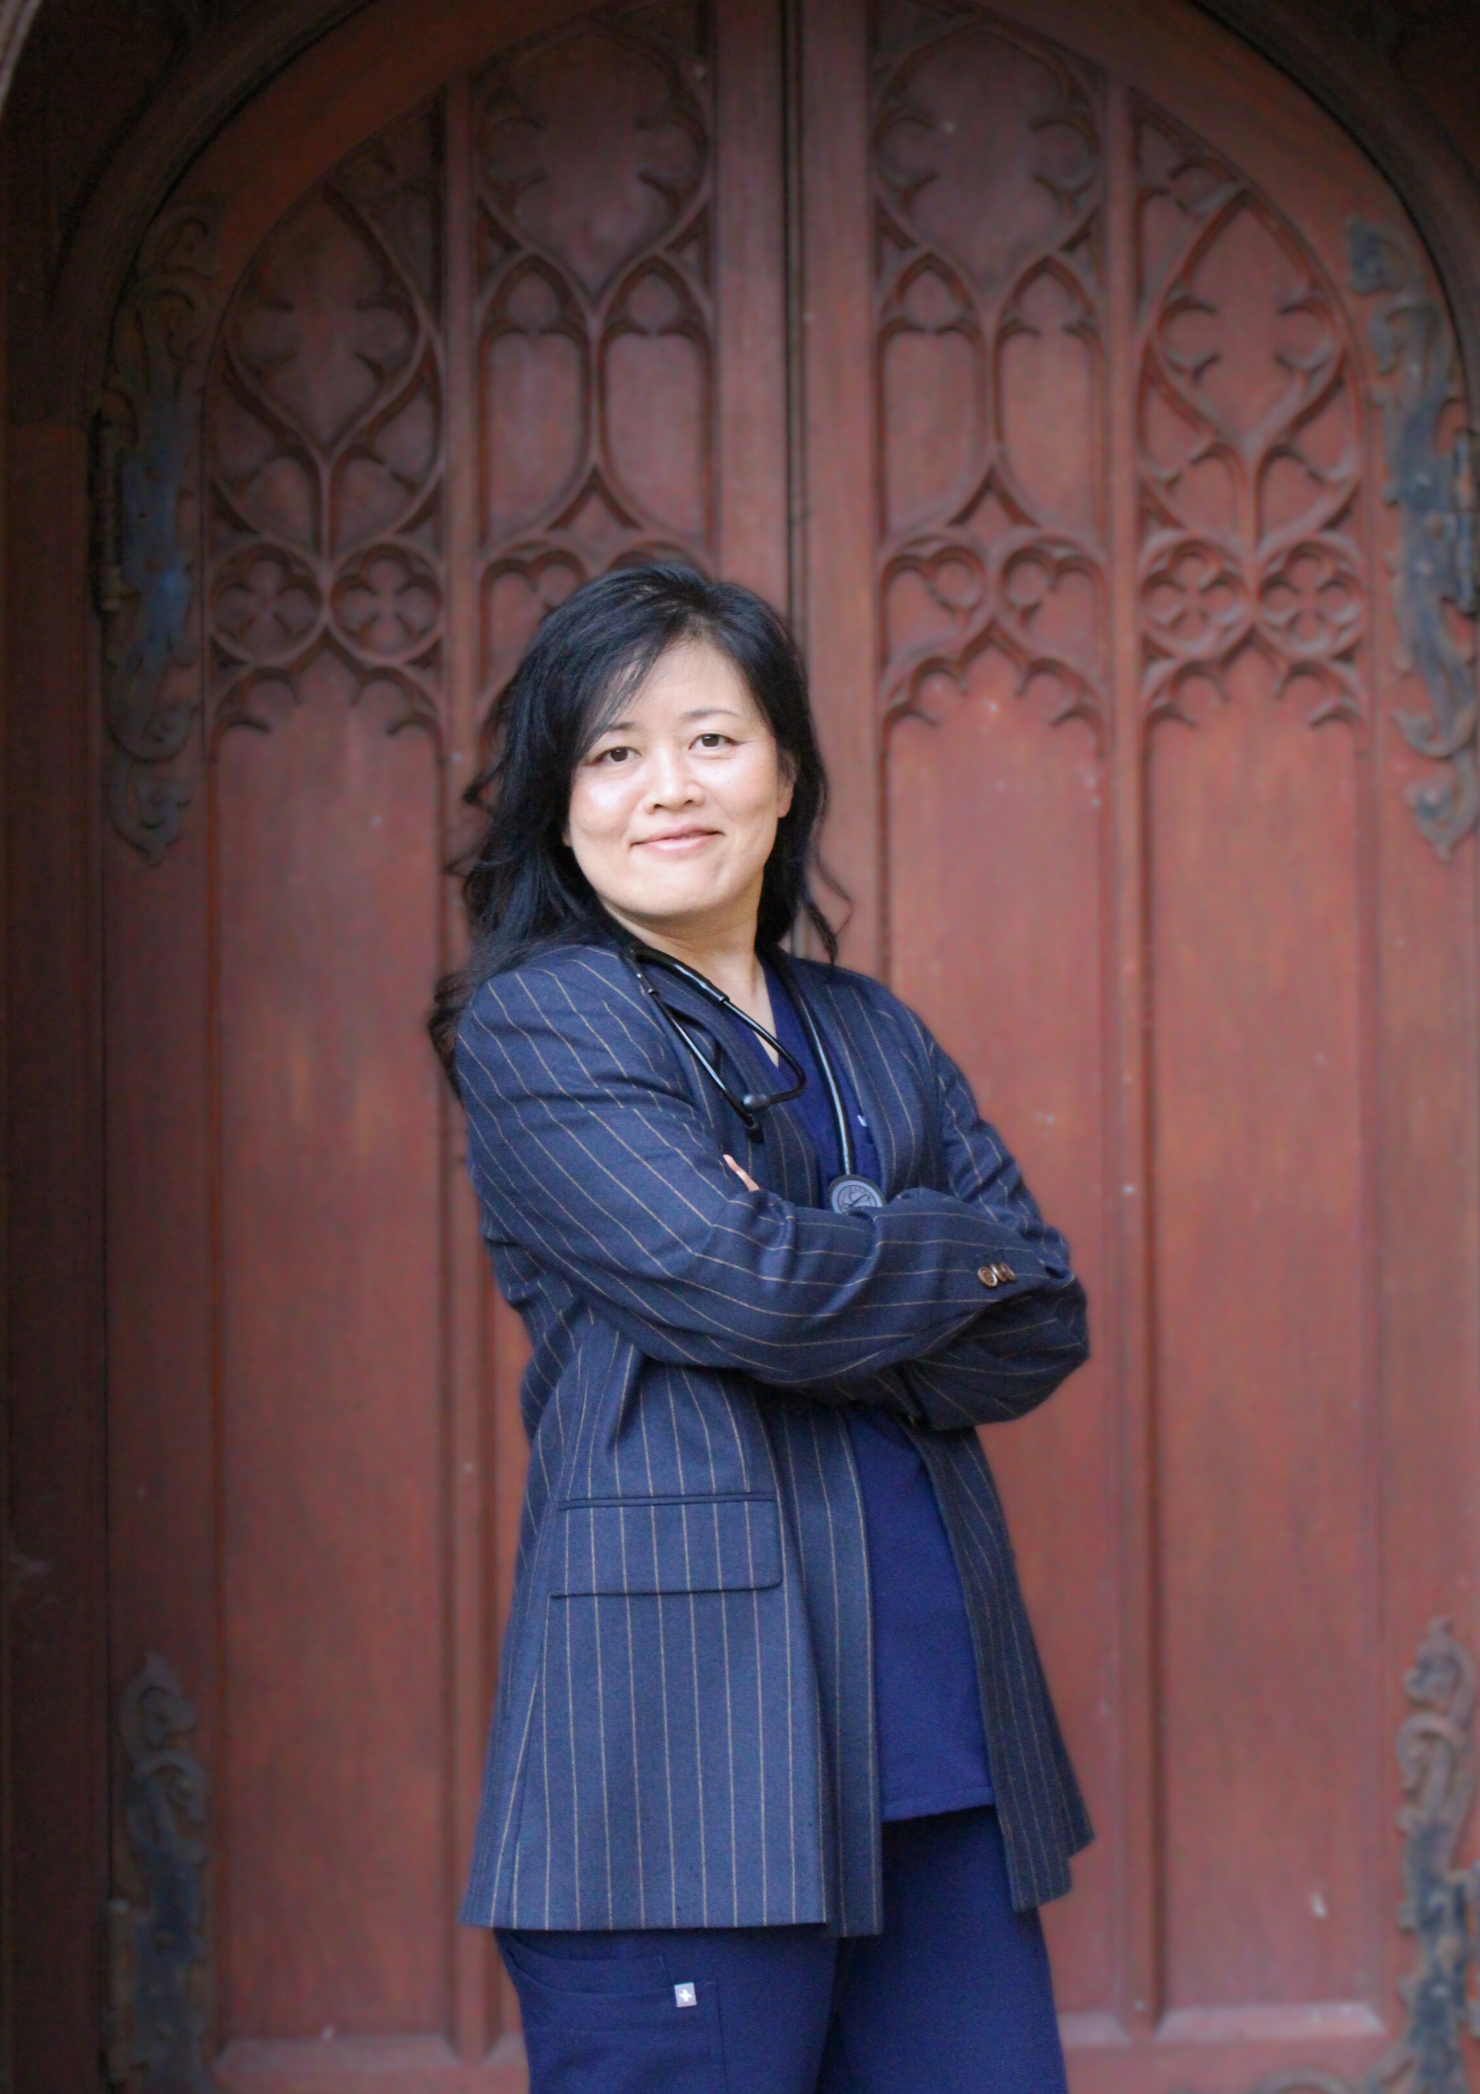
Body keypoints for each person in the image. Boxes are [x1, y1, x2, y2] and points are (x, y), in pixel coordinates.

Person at [431, 565, 1092, 2094]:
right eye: (614, 752)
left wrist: (834, 1257)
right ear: (562, 805)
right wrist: (932, 1251)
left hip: (938, 1745)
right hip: (681, 1767)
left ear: (785, 774)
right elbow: (744, 1283)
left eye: (712, 739)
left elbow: (1043, 1316)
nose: (668, 785)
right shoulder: (546, 1023)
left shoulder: (874, 1030)